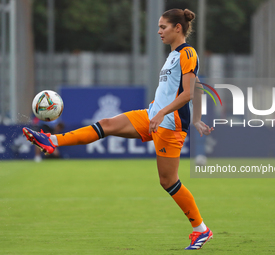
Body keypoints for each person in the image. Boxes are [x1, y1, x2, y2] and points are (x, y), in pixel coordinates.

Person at [23, 8, 213, 250]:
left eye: (163, 27)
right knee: (107, 124)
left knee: (168, 181)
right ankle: (52, 141)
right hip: (153, 115)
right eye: (158, 26)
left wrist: (176, 115)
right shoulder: (172, 55)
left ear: (178, 28)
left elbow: (189, 92)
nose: (158, 31)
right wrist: (187, 116)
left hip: (170, 124)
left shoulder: (188, 53)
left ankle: (201, 230)